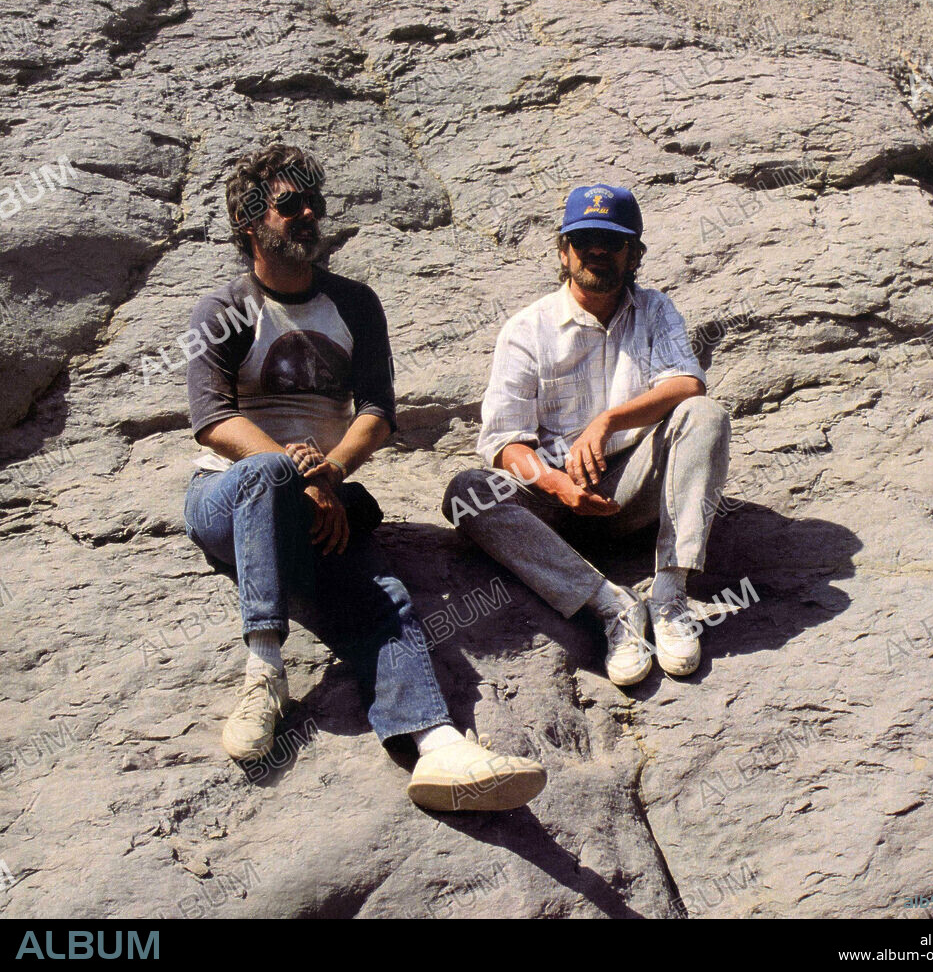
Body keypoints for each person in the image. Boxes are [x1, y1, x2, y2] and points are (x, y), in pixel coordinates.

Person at [182, 143, 545, 811]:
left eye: (313, 202)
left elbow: (378, 410)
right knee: (266, 471)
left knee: (383, 595)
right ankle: (264, 669)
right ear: (250, 222)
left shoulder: (354, 303)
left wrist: (333, 472)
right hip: (227, 499)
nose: (309, 214)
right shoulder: (226, 308)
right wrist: (301, 471)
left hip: (322, 499)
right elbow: (212, 420)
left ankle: (439, 747)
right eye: (291, 205)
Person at [443, 184, 731, 687]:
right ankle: (610, 606)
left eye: (612, 241)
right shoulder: (527, 329)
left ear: (634, 254)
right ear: (564, 250)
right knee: (468, 492)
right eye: (584, 240)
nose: (597, 250)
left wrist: (607, 422)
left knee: (704, 414)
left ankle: (668, 595)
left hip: (636, 490)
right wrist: (554, 484)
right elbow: (504, 441)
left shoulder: (656, 310)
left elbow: (688, 383)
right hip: (554, 505)